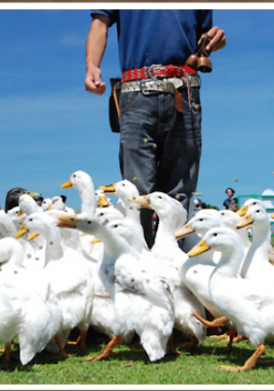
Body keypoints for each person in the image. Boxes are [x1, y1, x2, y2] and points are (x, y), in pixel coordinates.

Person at [85, 9, 226, 248]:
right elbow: (100, 22)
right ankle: (142, 271)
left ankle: (171, 273)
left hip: (185, 89)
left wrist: (214, 41)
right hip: (137, 89)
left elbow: (205, 34)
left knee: (179, 197)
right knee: (136, 195)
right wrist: (92, 65)